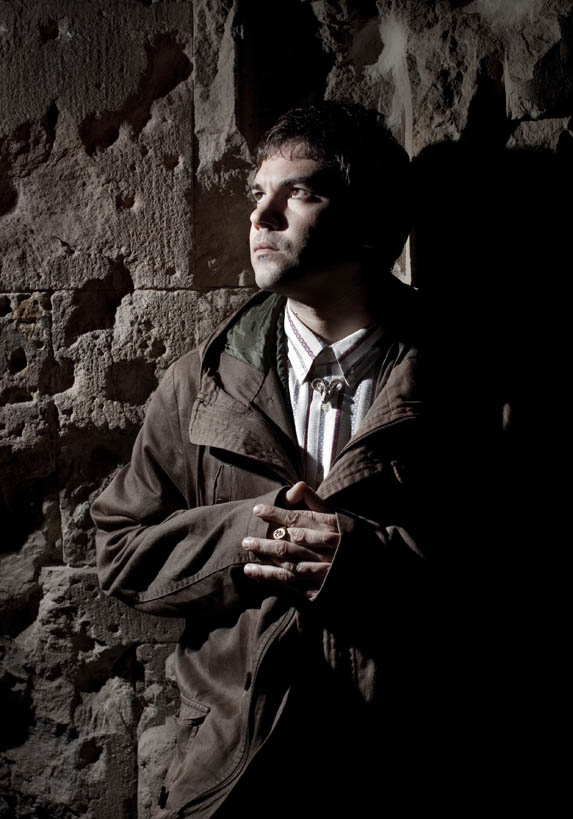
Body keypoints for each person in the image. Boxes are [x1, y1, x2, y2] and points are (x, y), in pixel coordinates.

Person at [92, 101, 498, 817]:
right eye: (258, 193)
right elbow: (121, 551)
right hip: (239, 779)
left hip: (414, 766)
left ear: (370, 222)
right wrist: (252, 536)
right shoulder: (199, 383)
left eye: (299, 192)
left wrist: (365, 562)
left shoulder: (471, 381)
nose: (261, 215)